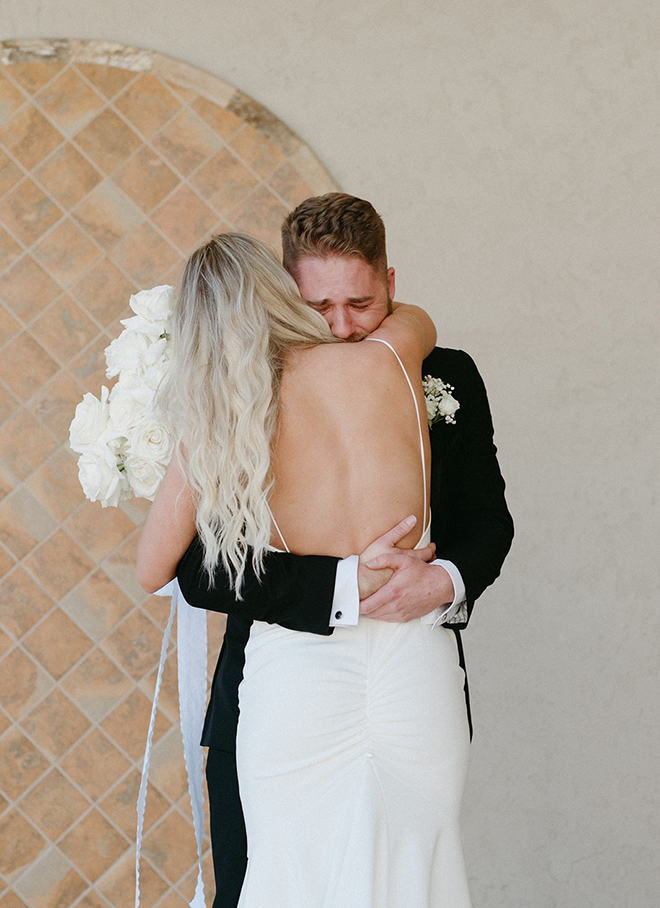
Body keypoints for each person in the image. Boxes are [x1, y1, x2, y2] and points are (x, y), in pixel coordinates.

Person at [174, 194, 514, 908]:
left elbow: (488, 523)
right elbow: (199, 567)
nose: (341, 326)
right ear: (285, 292)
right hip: (279, 690)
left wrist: (444, 581)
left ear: (392, 281)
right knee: (266, 879)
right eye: (318, 305)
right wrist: (338, 585)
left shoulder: (444, 371)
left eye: (361, 303)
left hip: (410, 677)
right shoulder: (248, 380)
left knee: (408, 875)